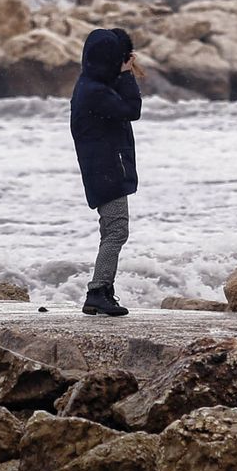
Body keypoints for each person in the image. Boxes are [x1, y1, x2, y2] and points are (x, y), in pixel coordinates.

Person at [70, 27, 143, 316]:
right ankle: (98, 290)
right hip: (105, 172)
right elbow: (132, 109)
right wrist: (126, 74)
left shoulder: (91, 84)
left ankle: (103, 290)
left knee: (112, 231)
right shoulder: (95, 92)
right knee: (116, 231)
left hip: (103, 169)